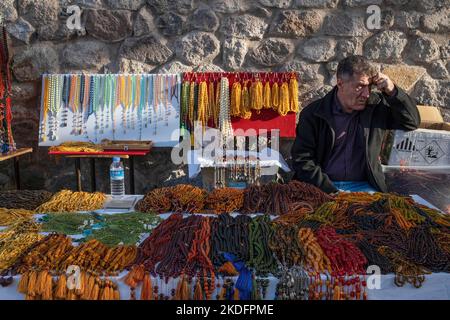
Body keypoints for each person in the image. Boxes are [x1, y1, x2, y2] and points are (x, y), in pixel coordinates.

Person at [291, 55, 420, 194]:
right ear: (340, 83)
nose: (366, 94)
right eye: (360, 86)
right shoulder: (314, 113)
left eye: (369, 87)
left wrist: (393, 91)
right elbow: (303, 160)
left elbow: (411, 122)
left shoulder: (376, 107)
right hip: (322, 188)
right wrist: (332, 191)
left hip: (365, 187)